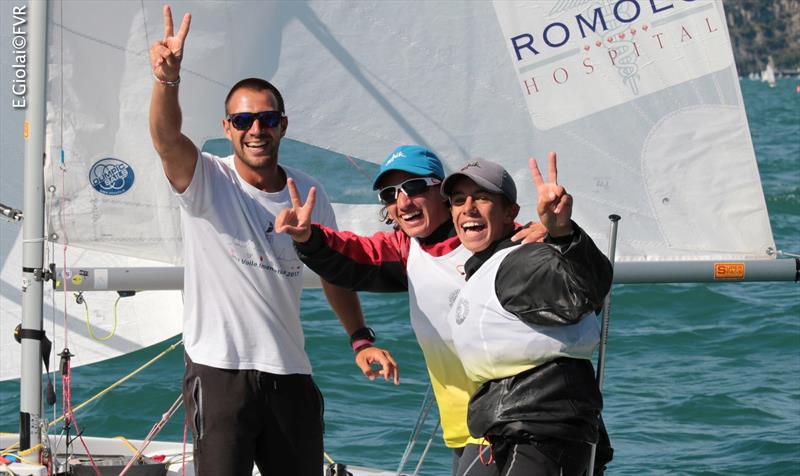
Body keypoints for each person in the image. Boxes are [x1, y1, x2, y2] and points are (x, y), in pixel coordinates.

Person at [148, 6, 397, 475]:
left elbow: (333, 273)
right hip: (220, 373)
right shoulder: (206, 179)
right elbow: (165, 140)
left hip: (290, 373)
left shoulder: (309, 193)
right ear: (227, 129)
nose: (255, 130)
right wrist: (167, 80)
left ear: (283, 125)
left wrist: (360, 339)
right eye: (242, 122)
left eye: (266, 119)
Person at [276, 145, 544, 476]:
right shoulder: (407, 250)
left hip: (511, 424)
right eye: (390, 194)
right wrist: (309, 238)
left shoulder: (495, 239)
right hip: (462, 429)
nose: (403, 202)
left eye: (414, 187)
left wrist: (558, 235)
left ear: (443, 193)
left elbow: (563, 277)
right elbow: (351, 257)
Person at [440, 154, 613, 476]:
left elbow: (583, 289)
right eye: (458, 200)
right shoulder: (486, 266)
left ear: (510, 213)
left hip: (543, 430)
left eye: (482, 198)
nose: (468, 208)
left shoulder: (524, 260)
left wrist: (563, 232)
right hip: (509, 427)